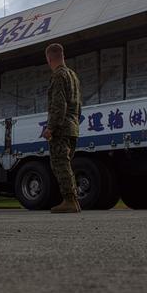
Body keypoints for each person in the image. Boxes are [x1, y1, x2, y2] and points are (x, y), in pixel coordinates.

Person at [41, 43, 82, 213]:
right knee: (66, 163)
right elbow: (78, 105)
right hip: (73, 126)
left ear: (49, 59)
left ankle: (69, 200)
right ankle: (73, 201)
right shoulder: (73, 75)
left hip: (62, 127)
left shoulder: (58, 76)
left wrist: (50, 127)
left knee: (59, 163)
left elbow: (59, 104)